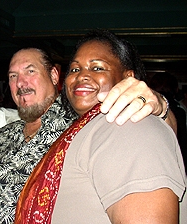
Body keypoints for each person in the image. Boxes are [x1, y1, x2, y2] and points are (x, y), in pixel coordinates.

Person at [0, 47, 174, 224]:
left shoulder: (78, 120)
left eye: (29, 71)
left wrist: (159, 107)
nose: (20, 82)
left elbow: (150, 132)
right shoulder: (6, 136)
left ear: (53, 76)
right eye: (12, 76)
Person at [15, 29, 186, 223]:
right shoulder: (82, 128)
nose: (82, 76)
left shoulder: (129, 124)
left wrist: (161, 105)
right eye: (74, 69)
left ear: (128, 77)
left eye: (97, 68)